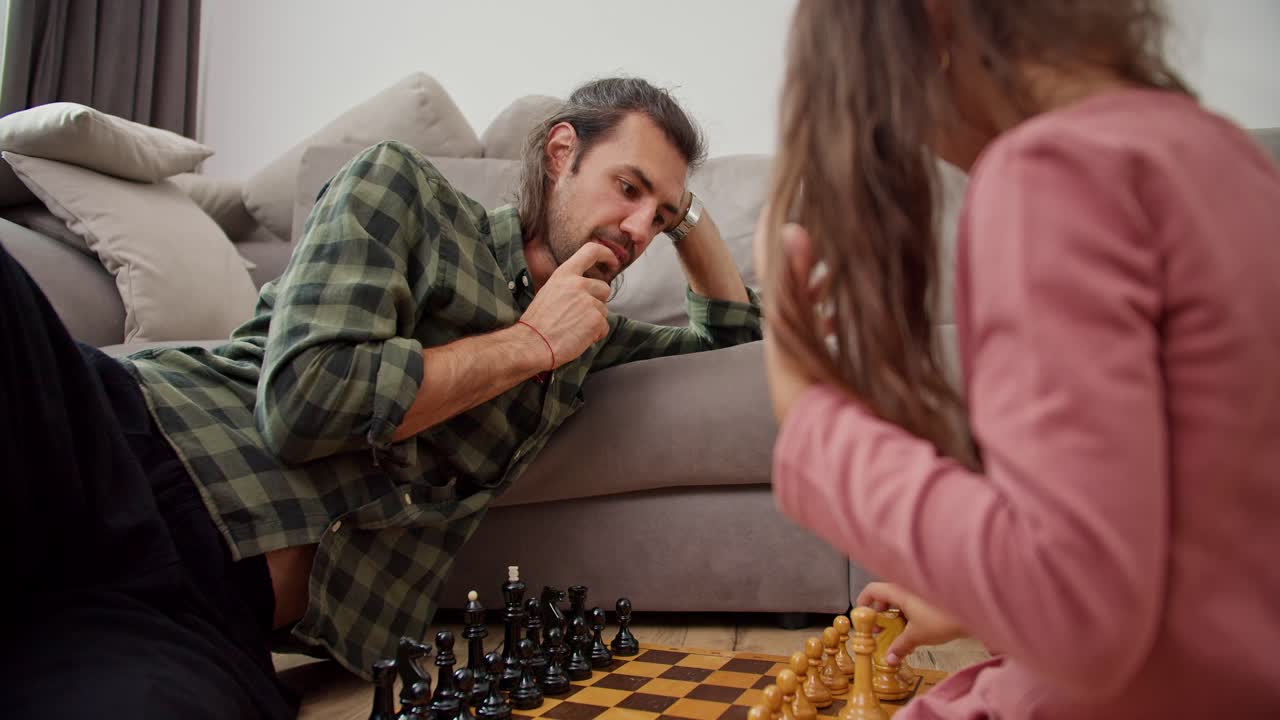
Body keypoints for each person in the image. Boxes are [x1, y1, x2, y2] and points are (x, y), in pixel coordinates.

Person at [2, 77, 760, 718]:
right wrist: (530, 345)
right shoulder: (405, 191)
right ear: (561, 154)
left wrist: (684, 212)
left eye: (657, 216)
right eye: (628, 188)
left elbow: (732, 351)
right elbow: (304, 405)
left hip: (199, 612)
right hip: (115, 441)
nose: (637, 229)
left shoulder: (592, 334)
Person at [756, 1, 1280, 718]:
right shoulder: (1233, 159)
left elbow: (1077, 613)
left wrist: (806, 407)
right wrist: (987, 603)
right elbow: (1202, 557)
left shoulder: (1050, 168)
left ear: (930, 23)